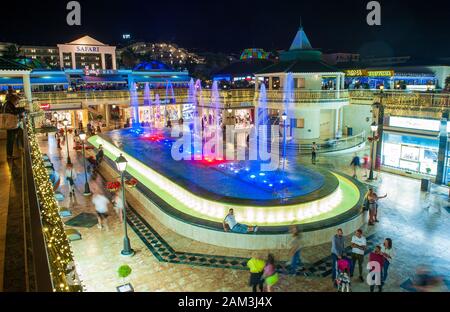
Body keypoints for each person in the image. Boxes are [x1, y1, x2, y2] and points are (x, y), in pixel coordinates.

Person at [2, 86, 24, 160]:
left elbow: (13, 111)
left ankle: (11, 153)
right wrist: (23, 109)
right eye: (17, 101)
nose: (17, 103)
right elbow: (13, 112)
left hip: (9, 124)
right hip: (10, 125)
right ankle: (10, 154)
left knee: (11, 138)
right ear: (14, 100)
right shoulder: (9, 104)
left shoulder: (7, 104)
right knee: (11, 139)